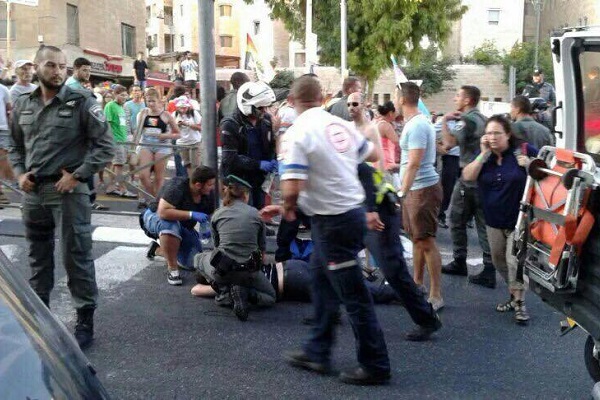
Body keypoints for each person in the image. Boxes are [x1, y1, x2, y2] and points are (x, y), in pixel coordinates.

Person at [280, 75, 390, 385]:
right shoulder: (339, 124)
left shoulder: (297, 132)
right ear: (322, 98)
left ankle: (376, 365)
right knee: (320, 277)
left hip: (333, 221)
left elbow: (291, 187)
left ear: (292, 101)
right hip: (348, 215)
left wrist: (288, 207)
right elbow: (372, 154)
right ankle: (317, 350)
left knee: (354, 295)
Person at [8, 45, 114, 349]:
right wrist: (19, 173)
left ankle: (84, 320)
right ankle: (39, 318)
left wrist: (78, 175)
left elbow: (105, 146)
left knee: (76, 255)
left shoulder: (81, 102)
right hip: (33, 192)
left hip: (68, 191)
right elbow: (15, 146)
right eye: (51, 65)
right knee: (37, 257)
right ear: (37, 67)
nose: (58, 72)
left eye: (62, 66)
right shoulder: (23, 103)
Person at [462, 115, 537, 324]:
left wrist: (530, 164)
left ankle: (520, 303)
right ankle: (514, 295)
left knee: (514, 261)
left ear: (508, 134)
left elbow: (548, 169)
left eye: (497, 133)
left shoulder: (523, 150)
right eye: (489, 133)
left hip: (519, 220)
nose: (492, 137)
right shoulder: (485, 157)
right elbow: (468, 176)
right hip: (493, 220)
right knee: (498, 260)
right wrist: (483, 154)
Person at [195, 174, 274, 321]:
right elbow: (262, 251)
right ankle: (248, 294)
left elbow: (217, 248)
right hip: (249, 272)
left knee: (198, 259)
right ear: (245, 195)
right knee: (270, 297)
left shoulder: (218, 214)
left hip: (223, 270)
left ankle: (224, 292)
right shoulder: (256, 214)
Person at [440, 85, 496, 288]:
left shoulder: (467, 120)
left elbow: (449, 143)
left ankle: (459, 261)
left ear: (467, 100)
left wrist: (445, 121)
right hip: (484, 178)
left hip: (469, 179)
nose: (455, 99)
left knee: (456, 220)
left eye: (458, 96)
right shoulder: (483, 119)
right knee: (483, 224)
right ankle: (489, 267)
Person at [396, 82, 444, 311]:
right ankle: (417, 284)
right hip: (415, 189)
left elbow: (414, 163)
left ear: (402, 99)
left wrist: (402, 191)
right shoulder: (416, 122)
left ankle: (436, 295)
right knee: (417, 239)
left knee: (426, 241)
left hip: (421, 189)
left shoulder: (416, 125)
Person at [192, 257, 402, 305]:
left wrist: (213, 283)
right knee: (338, 279)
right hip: (290, 266)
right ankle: (390, 288)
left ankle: (393, 293)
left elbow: (196, 290)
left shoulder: (226, 283)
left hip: (292, 281)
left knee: (346, 293)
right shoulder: (231, 263)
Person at [143, 166, 216, 285]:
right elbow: (163, 212)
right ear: (198, 185)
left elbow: (209, 215)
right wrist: (191, 214)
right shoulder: (177, 187)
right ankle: (172, 269)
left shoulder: (207, 194)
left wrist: (207, 227)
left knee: (193, 262)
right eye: (209, 184)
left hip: (184, 226)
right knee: (170, 225)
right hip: (156, 217)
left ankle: (157, 249)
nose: (212, 187)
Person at [220, 81, 277, 209]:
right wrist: (258, 164)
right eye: (260, 108)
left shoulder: (265, 121)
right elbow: (229, 158)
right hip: (239, 181)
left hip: (259, 179)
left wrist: (273, 159)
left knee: (259, 211)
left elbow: (270, 144)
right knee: (241, 214)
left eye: (266, 107)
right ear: (248, 106)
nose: (264, 111)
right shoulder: (231, 124)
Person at [136, 87, 180, 203]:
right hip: (146, 144)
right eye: (148, 101)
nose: (151, 104)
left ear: (159, 101)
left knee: (159, 177)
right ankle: (155, 198)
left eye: (153, 101)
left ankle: (157, 202)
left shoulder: (166, 115)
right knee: (143, 175)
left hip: (162, 146)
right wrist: (132, 149)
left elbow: (178, 134)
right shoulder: (143, 113)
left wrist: (165, 135)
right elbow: (138, 132)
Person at [103, 85, 137, 198]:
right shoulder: (110, 105)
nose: (124, 97)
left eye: (126, 95)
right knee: (119, 165)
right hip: (115, 140)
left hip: (123, 140)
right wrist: (110, 140)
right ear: (115, 95)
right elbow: (107, 123)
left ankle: (111, 187)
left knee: (115, 166)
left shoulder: (121, 107)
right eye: (122, 95)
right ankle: (123, 189)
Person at [435, 114, 460, 229]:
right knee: (447, 188)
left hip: (466, 159)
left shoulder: (468, 121)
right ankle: (440, 214)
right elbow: (431, 132)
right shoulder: (445, 121)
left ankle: (467, 217)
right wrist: (440, 146)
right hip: (450, 158)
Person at [173, 96, 202, 176]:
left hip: (194, 142)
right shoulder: (174, 115)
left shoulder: (194, 113)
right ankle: (191, 180)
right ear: (177, 108)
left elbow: (200, 128)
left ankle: (195, 180)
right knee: (187, 165)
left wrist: (188, 124)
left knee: (195, 165)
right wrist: (177, 125)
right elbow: (172, 130)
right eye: (181, 108)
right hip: (182, 143)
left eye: (185, 108)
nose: (183, 110)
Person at [0, 68, 11, 205]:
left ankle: (1, 190)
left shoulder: (3, 89)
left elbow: (9, 109)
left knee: (2, 161)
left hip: (2, 130)